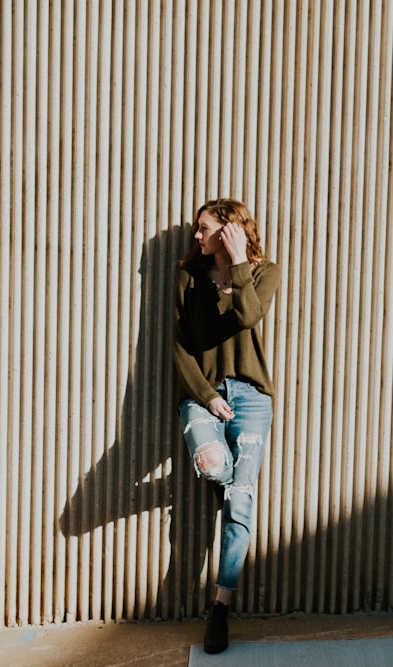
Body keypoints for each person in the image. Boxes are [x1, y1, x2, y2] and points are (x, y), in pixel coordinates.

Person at [172, 198, 281, 654]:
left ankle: (221, 607)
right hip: (203, 396)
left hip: (252, 400)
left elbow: (248, 315)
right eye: (197, 229)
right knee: (217, 466)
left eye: (204, 228)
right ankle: (228, 480)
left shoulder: (263, 272)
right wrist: (208, 395)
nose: (196, 236)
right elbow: (179, 345)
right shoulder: (188, 276)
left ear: (229, 230)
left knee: (240, 503)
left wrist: (237, 262)